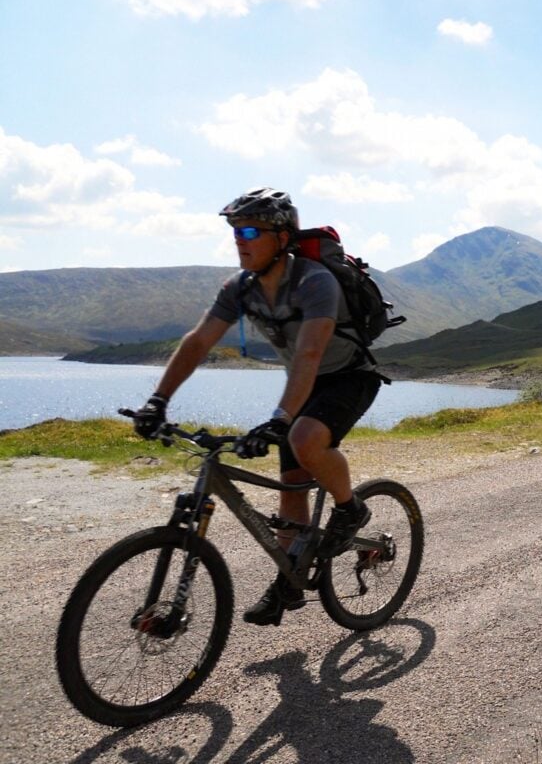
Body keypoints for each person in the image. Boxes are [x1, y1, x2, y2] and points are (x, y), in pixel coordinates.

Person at [131, 188, 382, 627]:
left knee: (304, 437)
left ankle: (350, 508)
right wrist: (158, 400)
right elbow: (198, 342)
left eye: (250, 230)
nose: (239, 239)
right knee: (291, 486)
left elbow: (308, 357)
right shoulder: (241, 288)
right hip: (304, 387)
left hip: (348, 377)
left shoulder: (314, 282)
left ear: (282, 237)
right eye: (234, 231)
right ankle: (289, 579)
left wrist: (279, 420)